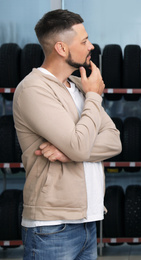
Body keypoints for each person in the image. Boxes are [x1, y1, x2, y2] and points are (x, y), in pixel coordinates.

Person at [13, 9, 122, 259]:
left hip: (87, 221)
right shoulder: (34, 89)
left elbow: (114, 141)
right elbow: (80, 147)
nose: (91, 46)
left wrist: (69, 152)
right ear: (61, 48)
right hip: (52, 226)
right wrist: (95, 95)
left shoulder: (78, 87)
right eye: (84, 41)